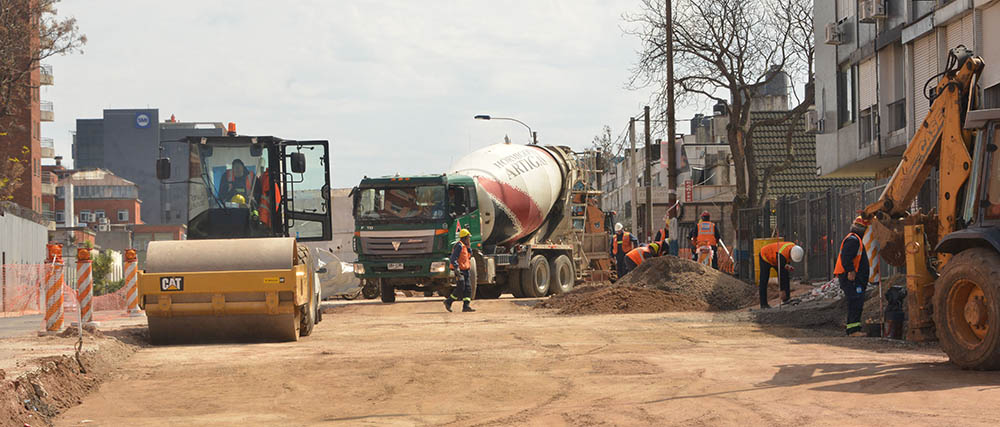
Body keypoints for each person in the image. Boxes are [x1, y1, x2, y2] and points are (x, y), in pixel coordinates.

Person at [835, 216, 870, 336]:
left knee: (856, 302)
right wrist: (851, 271)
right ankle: (853, 330)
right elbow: (846, 257)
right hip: (851, 279)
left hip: (854, 278)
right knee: (855, 302)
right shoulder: (853, 240)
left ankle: (854, 327)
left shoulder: (854, 239)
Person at [757, 241, 804, 309]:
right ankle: (763, 304)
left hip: (776, 256)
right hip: (765, 256)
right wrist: (782, 290)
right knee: (764, 280)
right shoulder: (782, 256)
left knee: (786, 275)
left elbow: (784, 265)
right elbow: (781, 274)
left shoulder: (793, 248)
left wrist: (788, 266)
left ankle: (786, 299)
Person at [444, 229, 475, 313]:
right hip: (460, 271)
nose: (469, 239)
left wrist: (469, 248)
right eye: (468, 237)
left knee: (468, 288)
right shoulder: (459, 246)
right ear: (465, 238)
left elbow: (468, 257)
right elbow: (453, 258)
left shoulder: (466, 246)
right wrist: (456, 269)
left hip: (466, 270)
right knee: (461, 287)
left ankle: (466, 306)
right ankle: (448, 301)